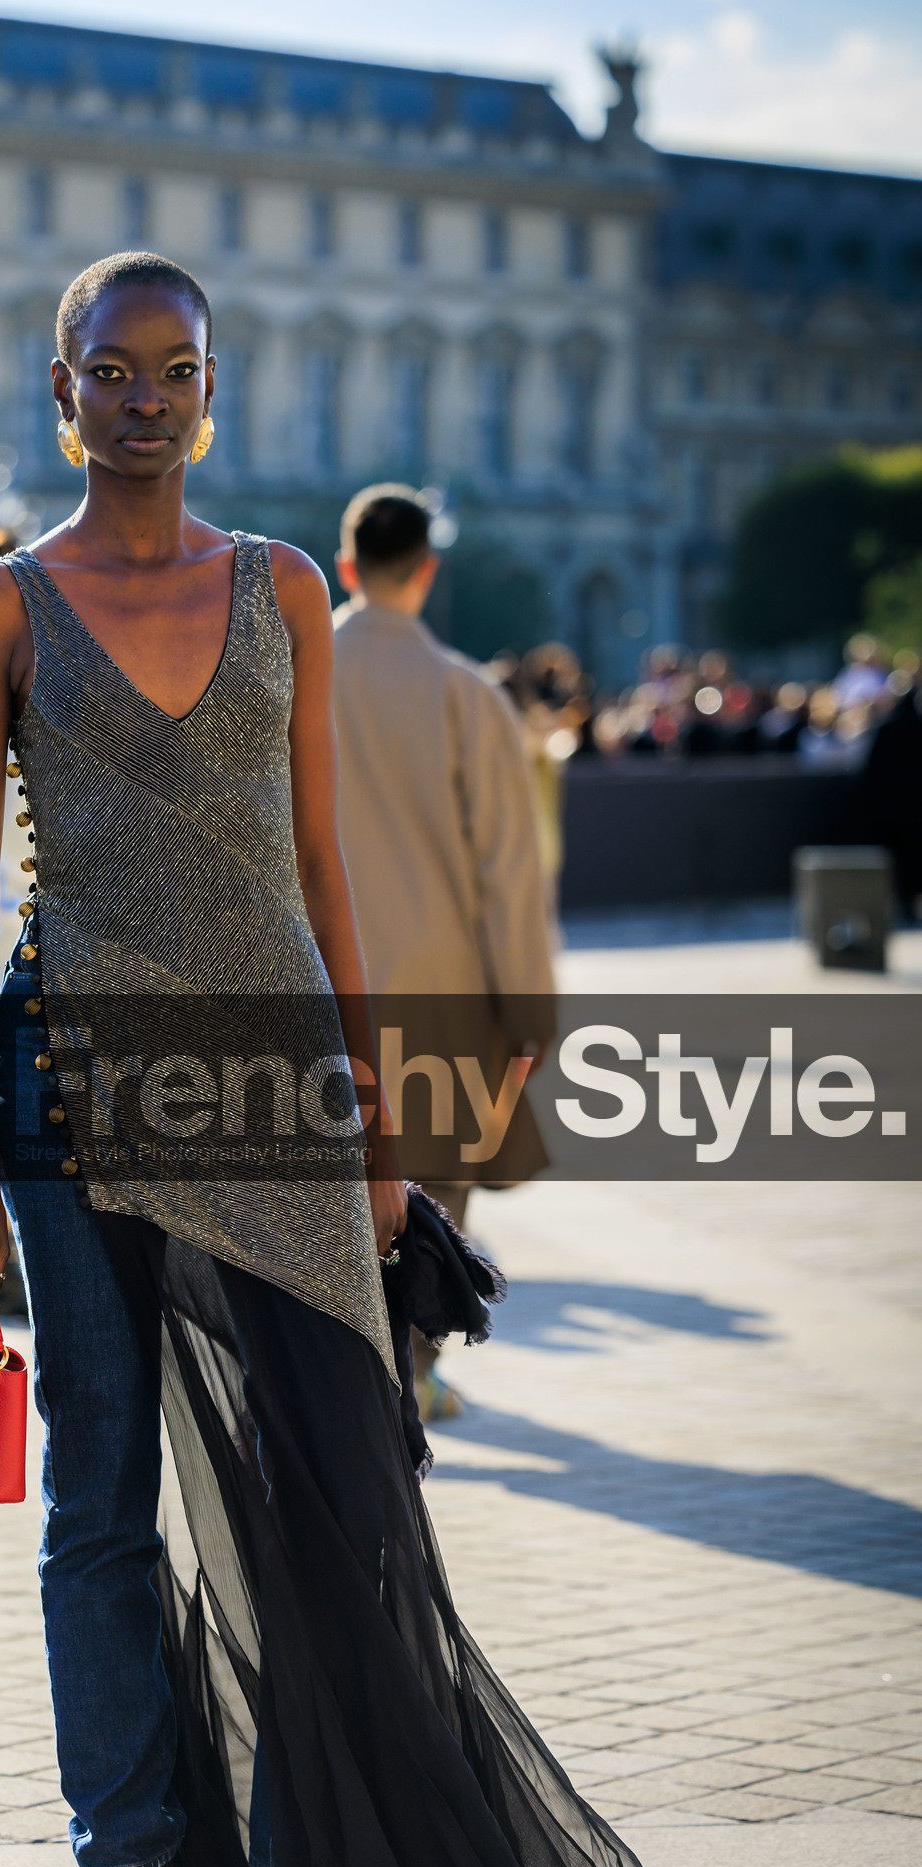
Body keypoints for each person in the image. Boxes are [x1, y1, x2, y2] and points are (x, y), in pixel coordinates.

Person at [0, 251, 659, 1867]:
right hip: (70, 1089)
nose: (146, 396)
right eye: (113, 368)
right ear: (60, 387)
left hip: (268, 1087)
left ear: (212, 388)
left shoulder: (285, 588)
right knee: (99, 1493)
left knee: (333, 1482)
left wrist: (391, 1132)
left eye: (177, 368)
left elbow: (324, 877)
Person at [330, 486, 556, 1420]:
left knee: (332, 1192)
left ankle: (347, 1376)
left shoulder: (296, 677)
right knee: (440, 1190)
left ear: (345, 566)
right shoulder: (469, 696)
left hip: (324, 986)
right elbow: (512, 873)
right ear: (428, 568)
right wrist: (532, 1011)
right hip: (447, 983)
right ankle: (415, 1365)